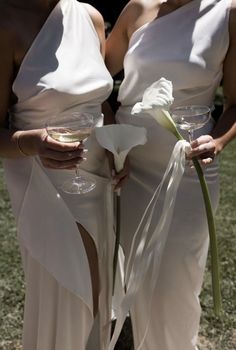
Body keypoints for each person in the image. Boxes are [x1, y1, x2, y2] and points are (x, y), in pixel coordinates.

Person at [105, 0, 236, 349]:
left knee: (177, 279)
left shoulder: (227, 13)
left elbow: (235, 102)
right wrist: (110, 140)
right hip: (129, 165)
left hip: (188, 167)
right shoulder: (136, 9)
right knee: (135, 273)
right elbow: (96, 79)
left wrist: (219, 141)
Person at [0, 0, 114, 349]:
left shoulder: (91, 17)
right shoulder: (6, 21)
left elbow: (100, 103)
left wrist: (115, 152)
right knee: (71, 296)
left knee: (97, 299)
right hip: (47, 184)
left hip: (99, 181)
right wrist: (31, 143)